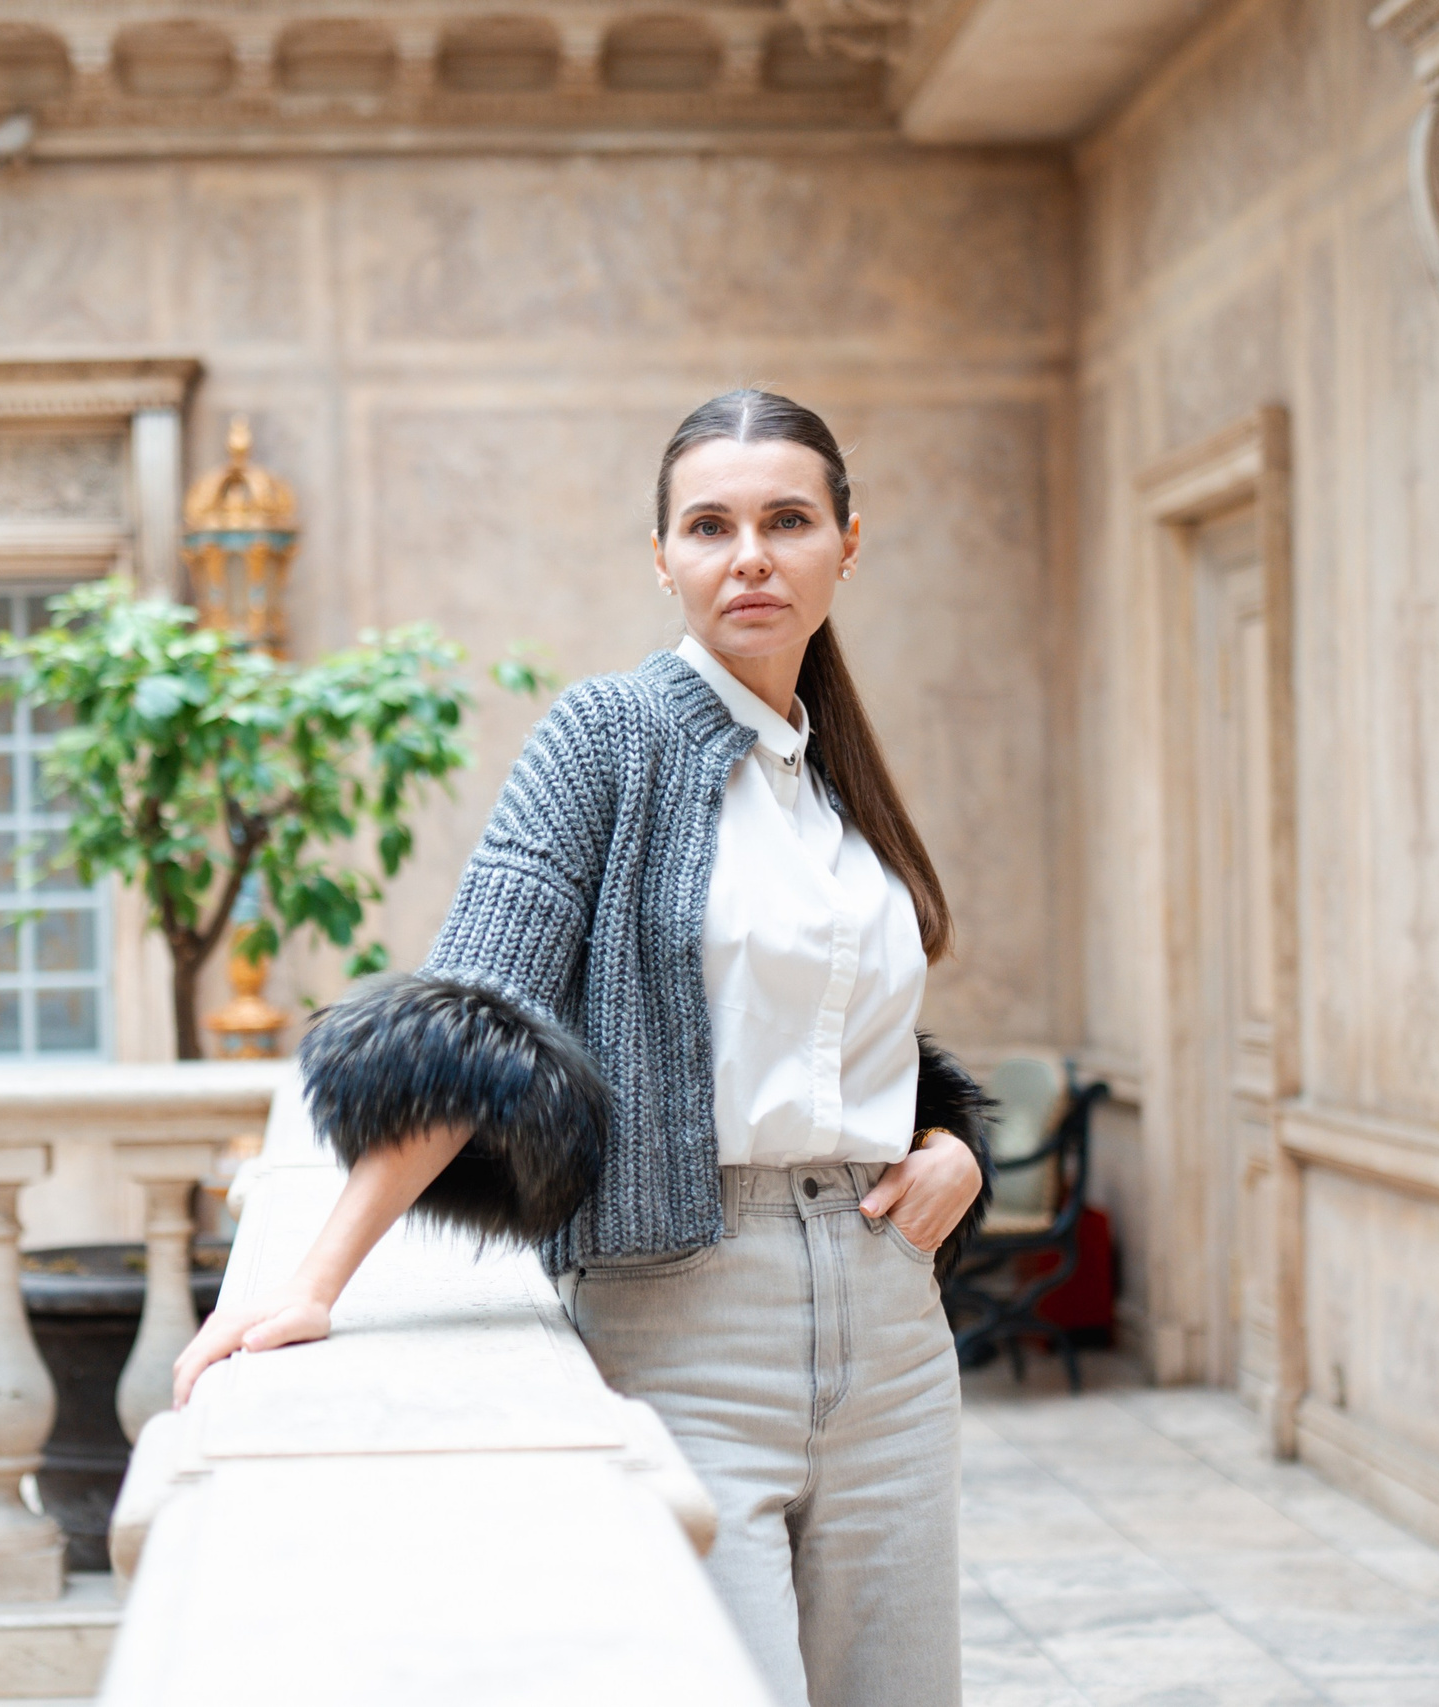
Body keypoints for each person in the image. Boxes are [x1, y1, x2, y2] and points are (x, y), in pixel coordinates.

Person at [171, 389, 993, 1707]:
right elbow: (472, 1019)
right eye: (710, 526)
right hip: (684, 1324)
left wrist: (950, 1140)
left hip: (893, 1329)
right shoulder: (604, 737)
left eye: (787, 521)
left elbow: (834, 1035)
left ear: (849, 541)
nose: (750, 557)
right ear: (662, 557)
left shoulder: (832, 775)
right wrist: (315, 1280)